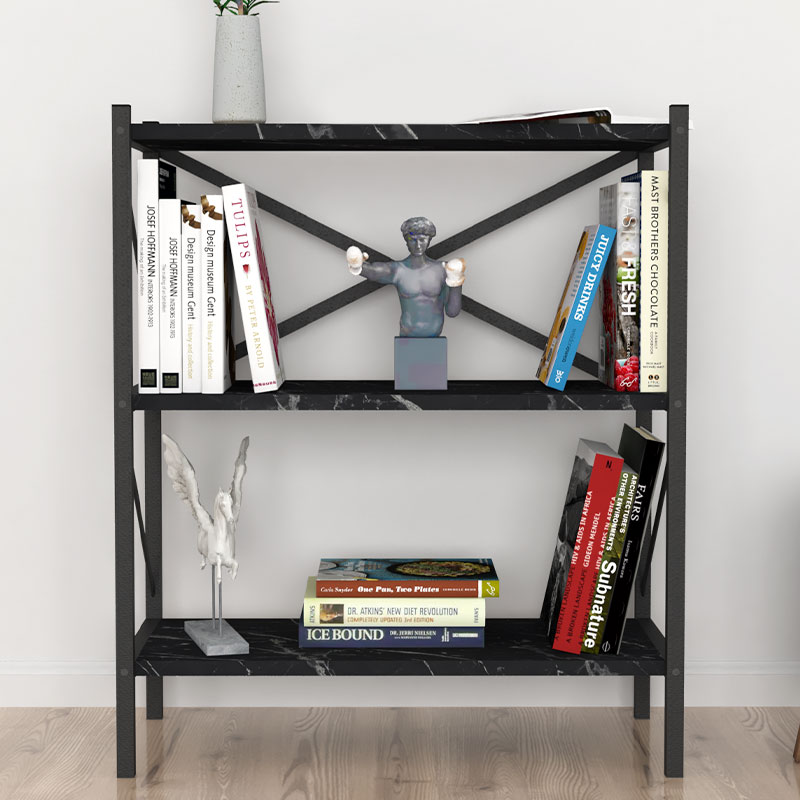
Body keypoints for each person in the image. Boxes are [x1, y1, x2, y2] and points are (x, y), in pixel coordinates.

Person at [346, 217, 466, 337]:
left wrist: (456, 282)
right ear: (406, 241)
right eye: (412, 240)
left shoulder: (442, 269)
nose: (418, 245)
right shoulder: (399, 270)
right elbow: (375, 271)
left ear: (429, 240)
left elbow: (452, 312)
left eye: (422, 240)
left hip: (435, 339)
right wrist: (357, 264)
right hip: (406, 338)